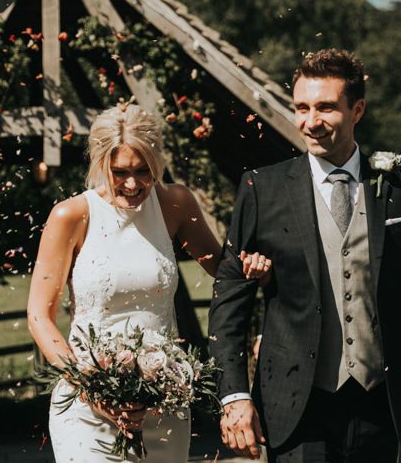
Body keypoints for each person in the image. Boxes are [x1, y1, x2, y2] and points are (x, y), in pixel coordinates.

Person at [27, 103, 271, 463]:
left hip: (164, 399)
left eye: (144, 171)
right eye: (120, 172)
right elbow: (39, 315)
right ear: (100, 164)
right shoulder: (71, 215)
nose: (133, 183)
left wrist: (254, 266)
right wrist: (89, 385)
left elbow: (225, 273)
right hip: (87, 403)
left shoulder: (174, 204)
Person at [209, 48, 401, 462]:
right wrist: (234, 395)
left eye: (326, 108)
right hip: (296, 405)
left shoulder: (395, 186)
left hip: (383, 404)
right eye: (301, 107)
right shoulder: (262, 188)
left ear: (358, 110)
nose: (310, 122)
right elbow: (229, 297)